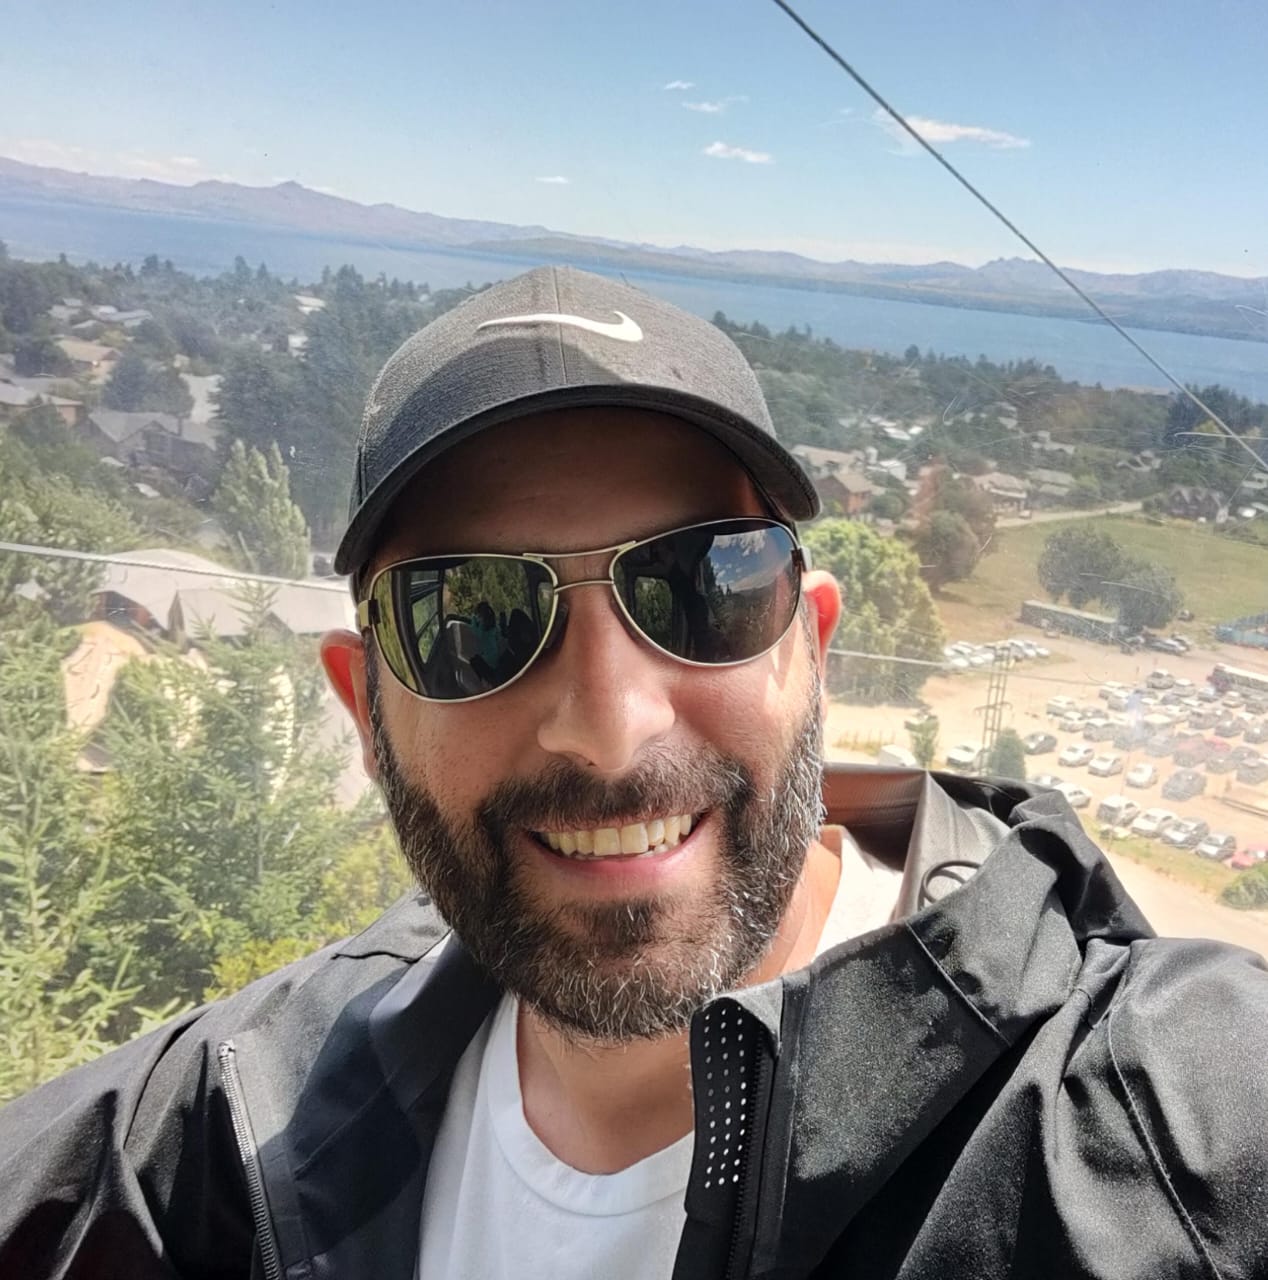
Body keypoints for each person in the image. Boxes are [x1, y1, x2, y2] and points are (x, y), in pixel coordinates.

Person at [2, 266, 1266, 1279]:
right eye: (470, 617)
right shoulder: (238, 1121)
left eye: (702, 587)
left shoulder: (1160, 1131)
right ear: (365, 709)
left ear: (811, 649)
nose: (608, 729)